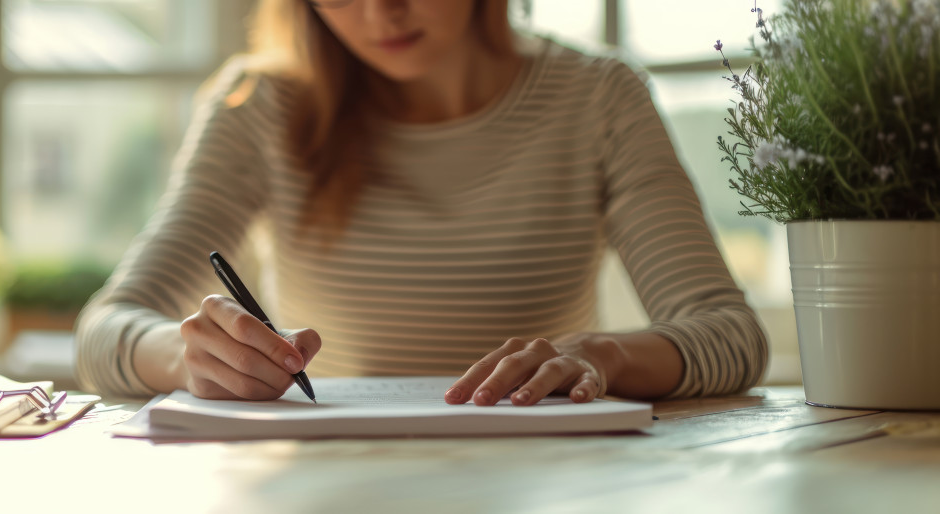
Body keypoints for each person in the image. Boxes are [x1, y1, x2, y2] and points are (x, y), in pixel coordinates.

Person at [75, 0, 768, 406]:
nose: (381, 14)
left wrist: (604, 356)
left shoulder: (599, 98)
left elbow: (733, 337)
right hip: (327, 486)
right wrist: (185, 356)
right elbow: (104, 330)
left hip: (548, 484)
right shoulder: (259, 107)